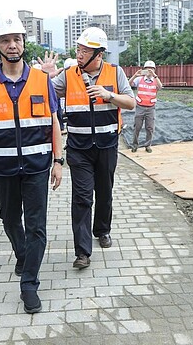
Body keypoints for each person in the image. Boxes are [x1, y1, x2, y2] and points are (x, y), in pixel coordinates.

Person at [0, 13, 63, 314]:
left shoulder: (41, 80)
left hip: (37, 168)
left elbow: (54, 124)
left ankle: (29, 284)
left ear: (24, 42)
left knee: (37, 226)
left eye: (17, 39)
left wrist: (59, 162)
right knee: (10, 220)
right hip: (3, 170)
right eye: (6, 40)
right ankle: (22, 255)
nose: (13, 45)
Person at [43, 27, 135, 270]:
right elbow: (44, 92)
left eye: (85, 50)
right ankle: (82, 252)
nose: (80, 54)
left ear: (99, 55)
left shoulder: (116, 73)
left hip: (107, 145)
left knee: (104, 192)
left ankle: (102, 230)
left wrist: (108, 95)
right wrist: (46, 77)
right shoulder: (69, 74)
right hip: (79, 148)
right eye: (79, 49)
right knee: (82, 198)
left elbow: (131, 102)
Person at [128, 60, 163, 153]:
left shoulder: (156, 80)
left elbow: (160, 87)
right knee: (137, 127)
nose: (149, 70)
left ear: (154, 70)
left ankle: (148, 145)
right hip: (140, 106)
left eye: (151, 69)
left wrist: (155, 76)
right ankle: (135, 145)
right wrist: (135, 75)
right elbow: (129, 84)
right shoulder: (140, 79)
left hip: (151, 108)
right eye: (147, 68)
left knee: (150, 128)